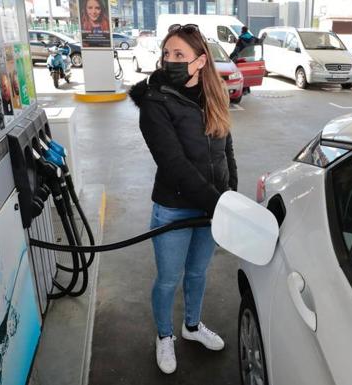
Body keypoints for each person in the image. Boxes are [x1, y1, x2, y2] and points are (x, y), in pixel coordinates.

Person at [128, 23, 237, 375]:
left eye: (179, 55)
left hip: (213, 205)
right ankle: (164, 336)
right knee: (169, 279)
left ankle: (191, 327)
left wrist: (229, 193)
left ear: (200, 61)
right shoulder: (154, 102)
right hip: (174, 209)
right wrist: (217, 203)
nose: (170, 60)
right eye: (167, 54)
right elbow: (173, 163)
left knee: (197, 273)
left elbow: (226, 149)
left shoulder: (214, 94)